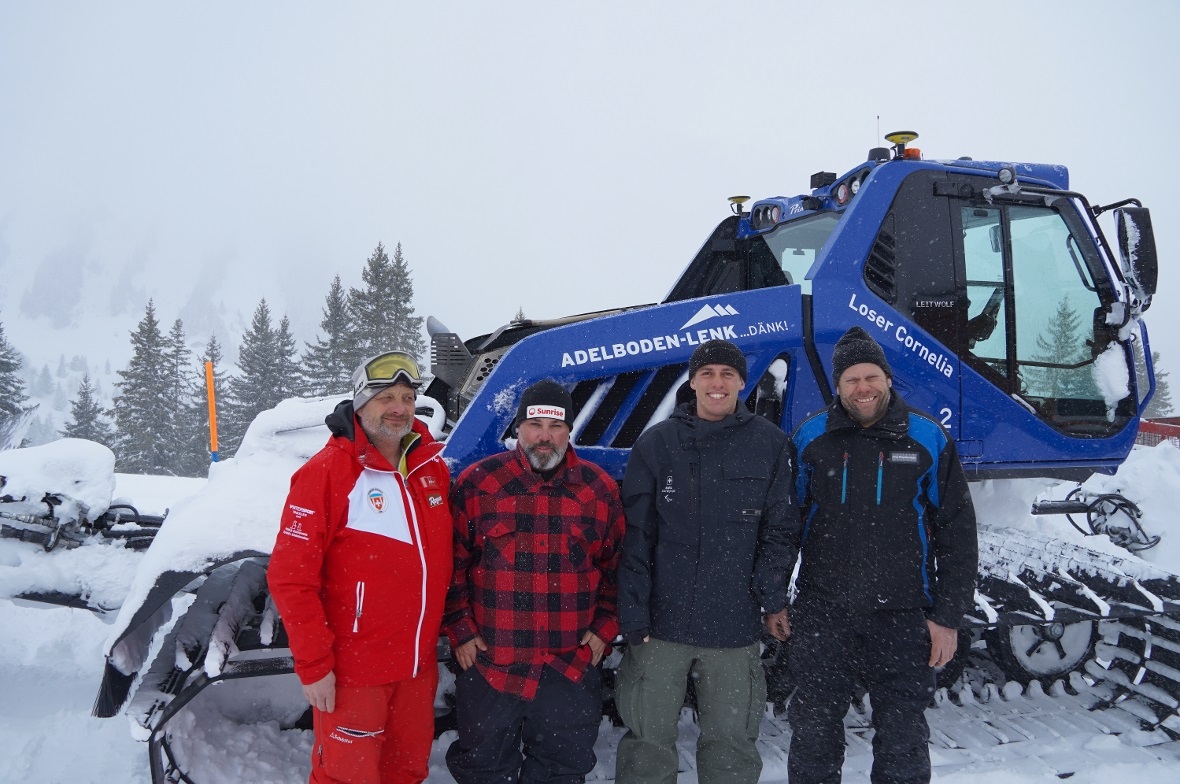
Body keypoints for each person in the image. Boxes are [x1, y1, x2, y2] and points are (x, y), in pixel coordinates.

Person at [787, 326, 978, 784]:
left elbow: (957, 532)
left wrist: (948, 617)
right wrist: (774, 597)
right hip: (823, 611)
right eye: (851, 379)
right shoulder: (811, 437)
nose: (863, 388)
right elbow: (784, 524)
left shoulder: (927, 438)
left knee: (903, 734)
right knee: (813, 731)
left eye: (871, 376)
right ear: (838, 386)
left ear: (888, 379)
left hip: (901, 612)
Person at [267, 351, 453, 784]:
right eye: (386, 396)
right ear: (359, 404)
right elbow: (290, 577)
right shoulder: (329, 472)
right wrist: (314, 668)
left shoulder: (429, 470)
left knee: (406, 771)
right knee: (347, 777)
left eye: (407, 397)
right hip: (355, 674)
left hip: (415, 670)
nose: (399, 408)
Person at [615, 339, 796, 784]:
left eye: (727, 374)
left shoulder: (769, 444)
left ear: (741, 381)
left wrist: (771, 600)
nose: (718, 383)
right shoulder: (658, 444)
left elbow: (780, 530)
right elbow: (635, 538)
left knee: (731, 746)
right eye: (708, 374)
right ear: (693, 381)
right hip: (661, 627)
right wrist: (634, 612)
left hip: (733, 629)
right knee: (647, 745)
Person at [444, 379, 626, 784]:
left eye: (556, 426)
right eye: (535, 424)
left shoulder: (599, 490)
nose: (545, 436)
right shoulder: (479, 483)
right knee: (484, 768)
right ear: (518, 428)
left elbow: (617, 569)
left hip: (569, 666)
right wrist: (461, 631)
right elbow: (450, 566)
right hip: (492, 663)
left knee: (562, 770)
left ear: (569, 431)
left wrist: (603, 630)